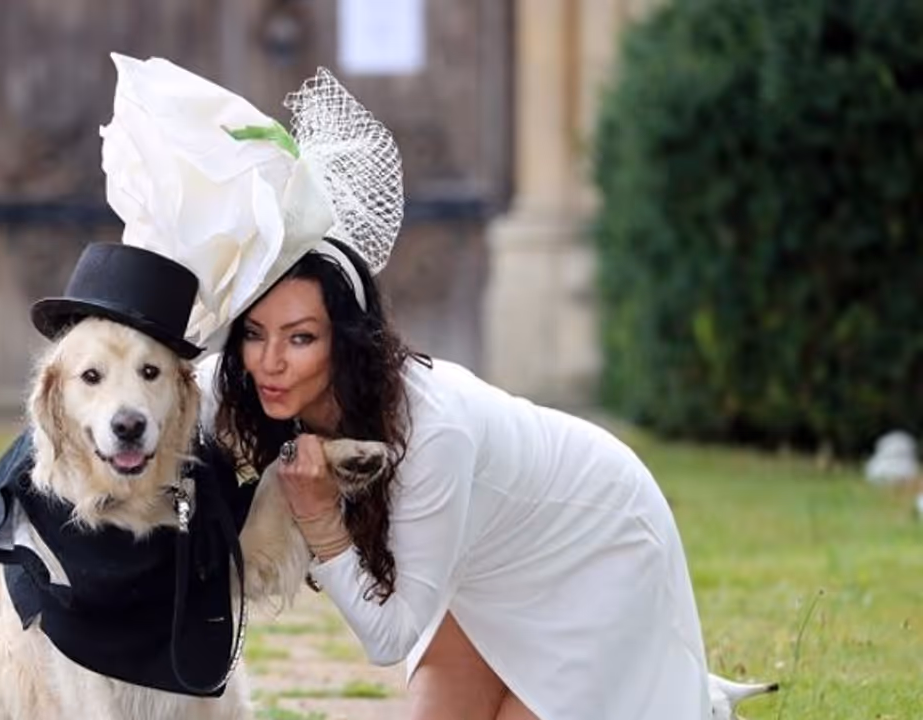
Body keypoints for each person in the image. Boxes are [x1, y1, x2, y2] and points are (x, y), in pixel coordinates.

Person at [97, 53, 714, 719]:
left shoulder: (433, 428)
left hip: (595, 538)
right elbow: (162, 394)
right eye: (254, 333)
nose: (271, 360)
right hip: (487, 576)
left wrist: (317, 515)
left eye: (301, 337)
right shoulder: (255, 375)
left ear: (345, 341)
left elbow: (390, 637)